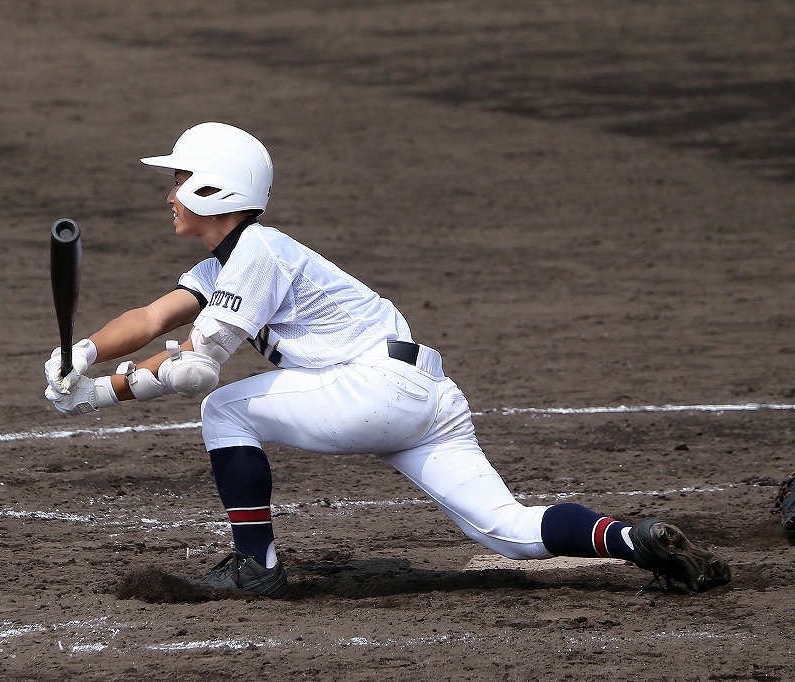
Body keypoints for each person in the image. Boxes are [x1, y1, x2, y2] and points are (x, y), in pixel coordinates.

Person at [43, 122, 731, 599]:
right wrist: (82, 353)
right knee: (509, 531)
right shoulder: (238, 260)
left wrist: (103, 394)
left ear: (214, 188)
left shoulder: (255, 253)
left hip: (369, 391)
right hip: (423, 395)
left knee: (222, 407)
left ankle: (257, 568)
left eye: (181, 178)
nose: (169, 192)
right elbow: (153, 318)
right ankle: (635, 539)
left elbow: (195, 368)